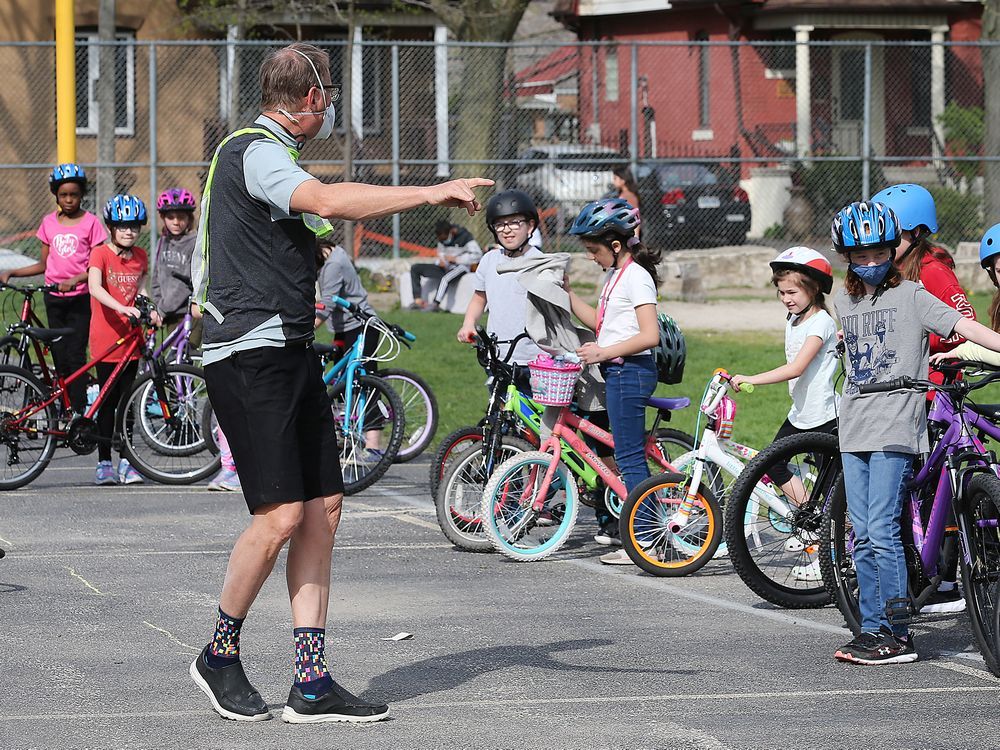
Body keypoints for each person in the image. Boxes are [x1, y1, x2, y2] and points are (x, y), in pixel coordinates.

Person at [187, 42, 490, 725]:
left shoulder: (277, 163)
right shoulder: (255, 151)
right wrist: (431, 189)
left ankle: (311, 682)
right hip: (247, 354)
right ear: (313, 101)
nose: (332, 111)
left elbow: (315, 220)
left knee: (323, 510)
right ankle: (219, 654)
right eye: (330, 99)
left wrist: (314, 241)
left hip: (290, 350)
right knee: (280, 517)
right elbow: (327, 200)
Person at [830, 201, 1000, 665]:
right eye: (859, 255)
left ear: (893, 250)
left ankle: (898, 633)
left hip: (896, 421)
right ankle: (871, 628)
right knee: (861, 532)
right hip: (855, 423)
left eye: (878, 253)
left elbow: (966, 327)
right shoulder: (843, 302)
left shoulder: (914, 295)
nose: (869, 263)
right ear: (846, 256)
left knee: (883, 528)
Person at [872, 182, 975, 614]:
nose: (880, 245)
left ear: (914, 232)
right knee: (918, 483)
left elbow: (963, 318)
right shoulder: (896, 272)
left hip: (937, 389)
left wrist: (943, 347)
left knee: (938, 485)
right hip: (909, 387)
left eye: (889, 235)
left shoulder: (932, 270)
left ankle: (947, 580)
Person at [563, 198, 662, 566]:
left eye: (593, 250)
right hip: (619, 371)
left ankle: (646, 538)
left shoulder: (637, 277)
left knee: (629, 457)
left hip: (631, 372)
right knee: (628, 453)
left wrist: (604, 353)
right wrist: (569, 295)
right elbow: (601, 324)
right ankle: (646, 531)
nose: (591, 257)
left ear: (616, 245)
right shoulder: (614, 276)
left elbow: (649, 335)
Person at [731, 247, 838, 582]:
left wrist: (751, 379)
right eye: (780, 292)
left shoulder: (821, 323)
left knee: (835, 493)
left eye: (792, 292)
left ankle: (829, 556)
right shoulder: (795, 318)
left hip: (825, 417)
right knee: (773, 463)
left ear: (814, 288)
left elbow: (797, 368)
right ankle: (812, 517)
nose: (785, 298)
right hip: (801, 413)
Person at [1, 164, 106, 414]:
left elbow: (96, 265)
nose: (69, 200)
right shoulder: (48, 223)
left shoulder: (91, 223)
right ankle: (61, 408)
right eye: (63, 195)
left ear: (82, 195)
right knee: (58, 356)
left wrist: (77, 280)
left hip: (80, 299)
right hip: (53, 298)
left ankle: (79, 412)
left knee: (76, 357)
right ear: (56, 195)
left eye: (74, 194)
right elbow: (43, 263)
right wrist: (11, 273)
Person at [89, 195, 161, 485]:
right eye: (122, 226)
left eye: (133, 226)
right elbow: (95, 288)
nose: (129, 231)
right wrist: (121, 308)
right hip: (106, 339)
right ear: (111, 228)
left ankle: (127, 462)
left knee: (128, 403)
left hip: (132, 341)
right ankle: (104, 462)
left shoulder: (141, 257)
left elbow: (140, 292)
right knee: (107, 403)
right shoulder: (100, 254)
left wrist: (150, 309)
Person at [457, 190, 544, 394]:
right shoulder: (489, 260)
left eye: (515, 222)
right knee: (502, 415)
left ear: (530, 226)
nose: (507, 230)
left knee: (534, 421)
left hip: (534, 357)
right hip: (498, 355)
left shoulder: (541, 263)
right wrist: (468, 323)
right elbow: (479, 298)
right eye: (500, 224)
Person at [314, 236, 385, 458]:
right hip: (344, 328)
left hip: (362, 326)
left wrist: (307, 329)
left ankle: (373, 445)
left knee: (364, 381)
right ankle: (345, 436)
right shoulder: (331, 258)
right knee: (340, 382)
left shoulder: (334, 263)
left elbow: (328, 302)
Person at [151, 188, 201, 349]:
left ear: (189, 218)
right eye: (170, 217)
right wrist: (158, 305)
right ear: (163, 218)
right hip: (168, 313)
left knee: (183, 357)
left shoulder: (194, 243)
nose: (176, 222)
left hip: (187, 313)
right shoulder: (162, 242)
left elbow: (185, 284)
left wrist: (162, 309)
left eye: (181, 217)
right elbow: (156, 277)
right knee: (171, 361)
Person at [409, 220, 482, 312]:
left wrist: (456, 259)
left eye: (444, 238)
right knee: (415, 268)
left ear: (451, 232)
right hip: (445, 267)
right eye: (441, 240)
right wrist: (441, 261)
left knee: (445, 279)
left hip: (461, 266)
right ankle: (418, 301)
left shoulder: (465, 236)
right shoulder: (441, 239)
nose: (443, 241)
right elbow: (441, 253)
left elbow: (478, 255)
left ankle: (435, 304)